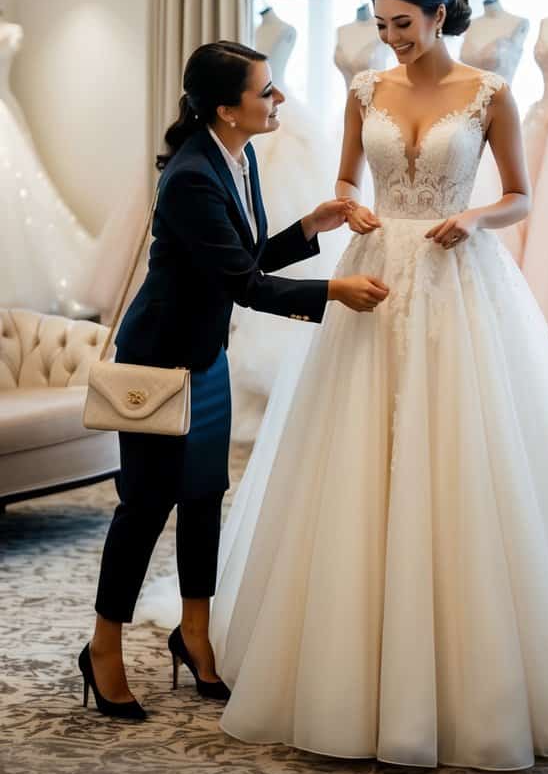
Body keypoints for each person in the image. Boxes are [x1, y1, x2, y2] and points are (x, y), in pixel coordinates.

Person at [206, 0, 548, 770]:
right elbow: (343, 174)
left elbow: (518, 193)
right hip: (375, 268)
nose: (389, 40)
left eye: (401, 25)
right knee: (358, 448)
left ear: (439, 16)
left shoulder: (489, 92)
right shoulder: (364, 91)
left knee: (464, 449)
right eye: (379, 26)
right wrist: (350, 199)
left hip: (457, 275)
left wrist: (474, 220)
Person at [81, 40, 387, 720]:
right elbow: (244, 284)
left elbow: (237, 256)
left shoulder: (237, 154)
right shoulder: (190, 175)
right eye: (265, 91)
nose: (278, 100)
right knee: (146, 505)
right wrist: (331, 289)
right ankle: (103, 646)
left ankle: (194, 632)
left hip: (204, 358)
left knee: (203, 498)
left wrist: (309, 225)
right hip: (157, 363)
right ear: (226, 109)